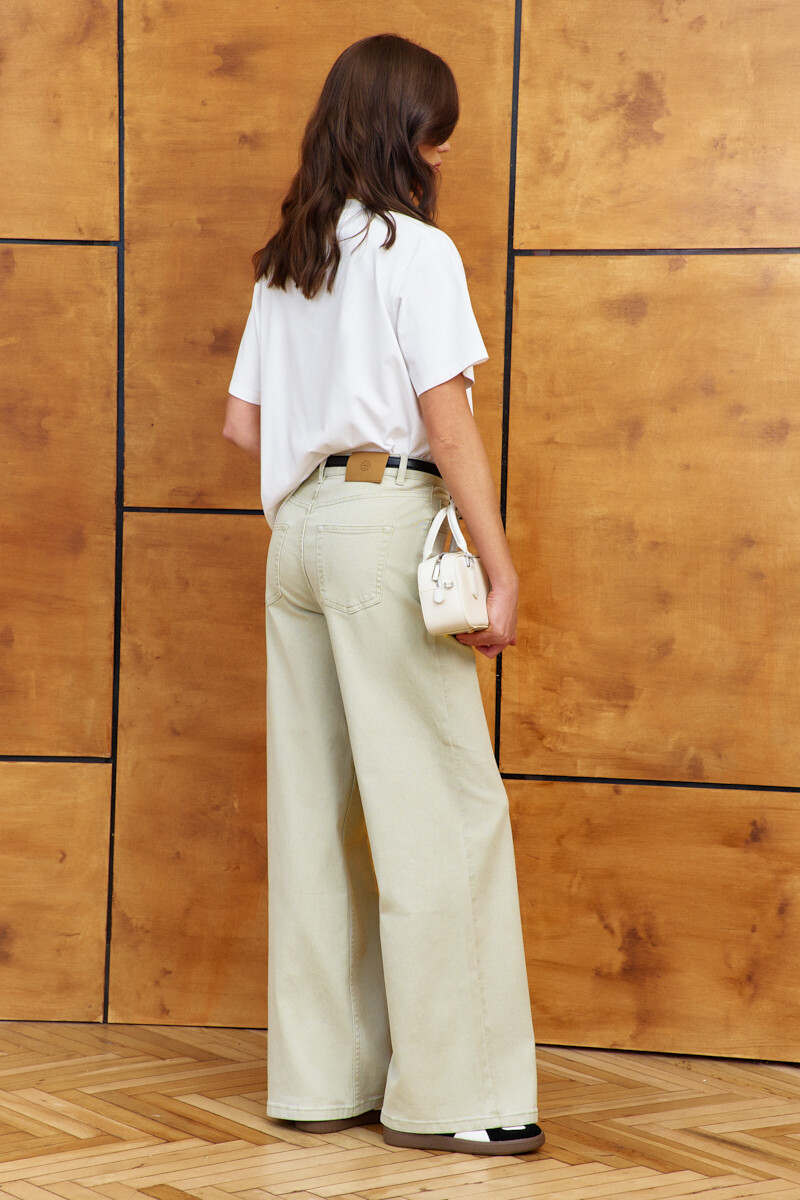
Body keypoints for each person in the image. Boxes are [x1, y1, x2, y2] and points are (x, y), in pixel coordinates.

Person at [223, 33, 543, 1157]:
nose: (442, 154)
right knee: (443, 811)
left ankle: (322, 1080)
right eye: (434, 135)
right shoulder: (417, 251)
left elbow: (243, 428)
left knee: (316, 818)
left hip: (299, 539)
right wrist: (498, 569)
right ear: (402, 135)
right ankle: (460, 1098)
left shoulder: (287, 260)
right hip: (382, 525)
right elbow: (447, 430)